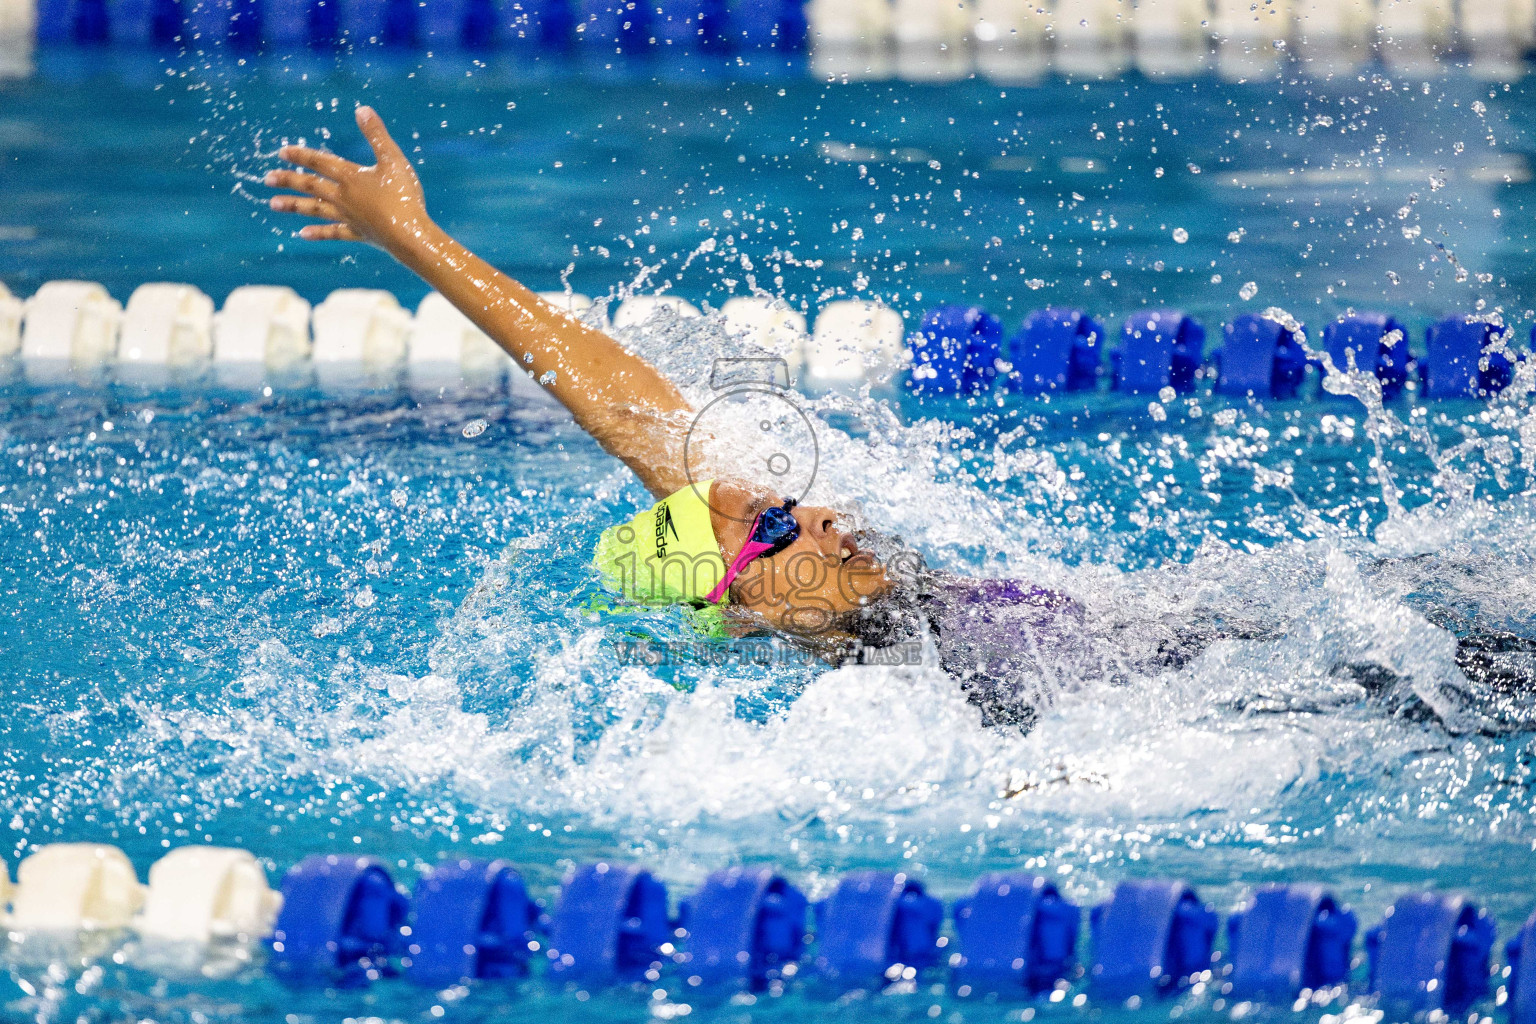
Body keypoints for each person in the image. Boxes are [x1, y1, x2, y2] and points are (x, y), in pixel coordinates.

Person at [264, 107, 1532, 734]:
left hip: (1271, 622)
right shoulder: (899, 709)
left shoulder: (897, 586)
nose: (815, 507)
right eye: (774, 528)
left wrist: (417, 240)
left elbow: (628, 409)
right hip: (1305, 693)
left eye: (785, 496)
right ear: (742, 607)